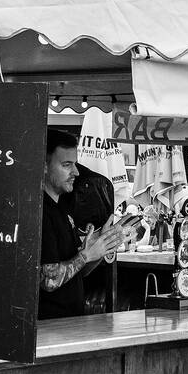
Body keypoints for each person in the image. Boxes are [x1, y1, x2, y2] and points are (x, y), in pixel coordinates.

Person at [39, 130, 122, 320]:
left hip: (71, 321)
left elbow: (77, 272)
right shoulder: (40, 212)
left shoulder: (63, 207)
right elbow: (48, 280)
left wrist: (101, 246)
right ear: (44, 166)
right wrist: (86, 255)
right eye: (67, 165)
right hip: (48, 326)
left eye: (75, 164)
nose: (76, 172)